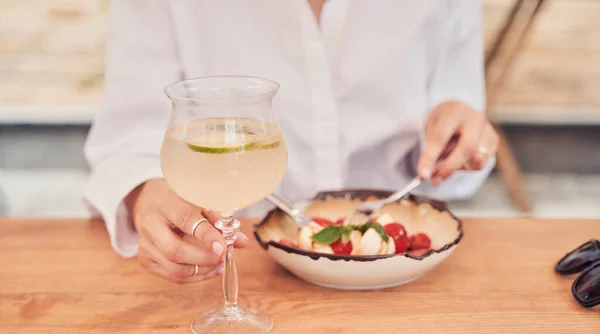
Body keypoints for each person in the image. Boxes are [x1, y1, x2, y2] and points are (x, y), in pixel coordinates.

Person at [84, 0, 499, 284]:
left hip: (406, 272)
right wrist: (145, 195)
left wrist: (461, 131)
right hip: (242, 265)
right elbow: (128, 142)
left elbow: (459, 111)